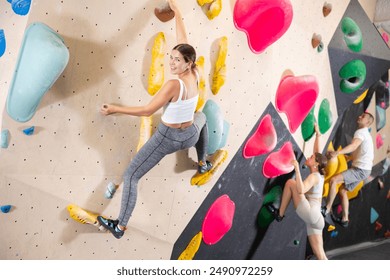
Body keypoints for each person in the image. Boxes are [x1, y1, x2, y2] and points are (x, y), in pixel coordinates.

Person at [97, 0, 212, 239]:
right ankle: (203, 163)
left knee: (131, 176)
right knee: (203, 118)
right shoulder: (196, 72)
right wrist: (177, 11)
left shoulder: (173, 84)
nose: (171, 62)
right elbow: (183, 36)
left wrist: (115, 109)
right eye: (170, 57)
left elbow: (148, 111)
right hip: (190, 133)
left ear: (187, 63)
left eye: (176, 60)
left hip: (167, 140)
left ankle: (120, 227)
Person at [267, 124, 329, 260]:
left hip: (311, 213)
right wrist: (318, 135)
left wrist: (296, 168)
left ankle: (280, 214)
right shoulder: (320, 174)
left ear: (316, 164)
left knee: (290, 183)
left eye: (312, 157)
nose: (309, 157)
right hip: (317, 219)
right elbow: (317, 152)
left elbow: (301, 189)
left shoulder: (314, 177)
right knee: (321, 256)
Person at [322, 112, 374, 228]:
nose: (359, 116)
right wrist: (349, 157)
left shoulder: (361, 132)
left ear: (367, 122)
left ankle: (326, 209)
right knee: (342, 191)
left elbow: (354, 146)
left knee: (334, 180)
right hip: (365, 170)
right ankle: (345, 219)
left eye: (363, 117)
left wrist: (338, 152)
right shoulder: (366, 135)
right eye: (360, 115)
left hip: (360, 170)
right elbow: (360, 151)